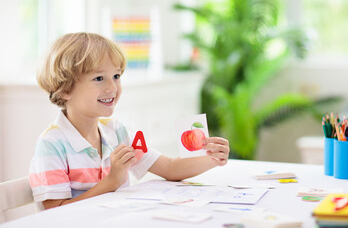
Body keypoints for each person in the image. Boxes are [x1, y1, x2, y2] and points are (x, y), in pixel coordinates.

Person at [29, 32, 230, 210]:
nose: (112, 87)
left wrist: (212, 158)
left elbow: (169, 168)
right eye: (99, 78)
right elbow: (54, 212)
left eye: (116, 76)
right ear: (65, 89)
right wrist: (112, 181)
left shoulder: (117, 132)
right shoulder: (51, 144)